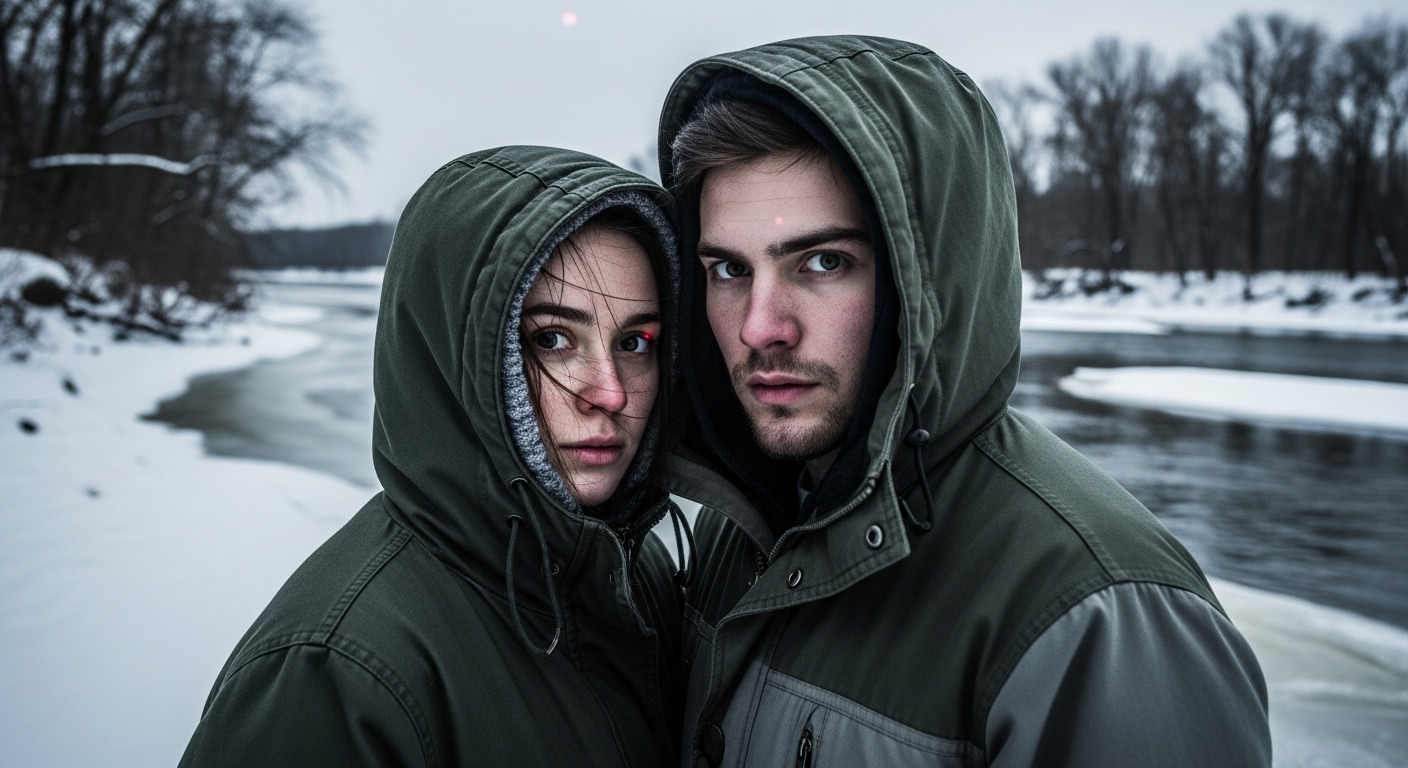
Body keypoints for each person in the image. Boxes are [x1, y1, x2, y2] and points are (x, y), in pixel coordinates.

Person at [657, 37, 1272, 767]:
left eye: (824, 263)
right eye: (728, 269)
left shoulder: (1100, 616)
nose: (761, 327)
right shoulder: (749, 524)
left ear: (932, 283)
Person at [179, 147, 688, 767]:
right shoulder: (334, 675)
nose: (610, 391)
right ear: (453, 354)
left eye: (636, 342)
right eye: (552, 339)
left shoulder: (632, 569)